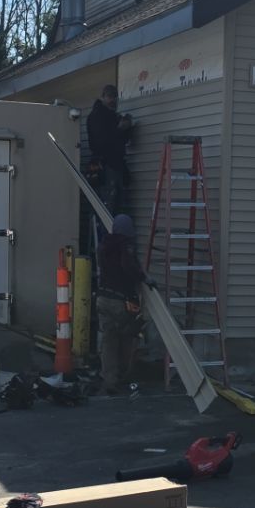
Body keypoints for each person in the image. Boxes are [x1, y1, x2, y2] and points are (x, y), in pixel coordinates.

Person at [95, 214, 145, 396]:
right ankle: (123, 375)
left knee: (108, 341)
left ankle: (109, 380)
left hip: (102, 298)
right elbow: (128, 267)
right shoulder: (126, 247)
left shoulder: (103, 246)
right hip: (120, 301)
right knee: (126, 338)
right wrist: (144, 278)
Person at [85, 84, 133, 214]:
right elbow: (100, 142)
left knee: (117, 206)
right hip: (104, 166)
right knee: (107, 207)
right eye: (110, 97)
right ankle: (106, 234)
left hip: (116, 165)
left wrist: (127, 127)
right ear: (103, 97)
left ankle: (114, 233)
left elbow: (121, 140)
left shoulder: (113, 116)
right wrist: (119, 129)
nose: (113, 100)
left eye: (115, 97)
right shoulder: (97, 116)